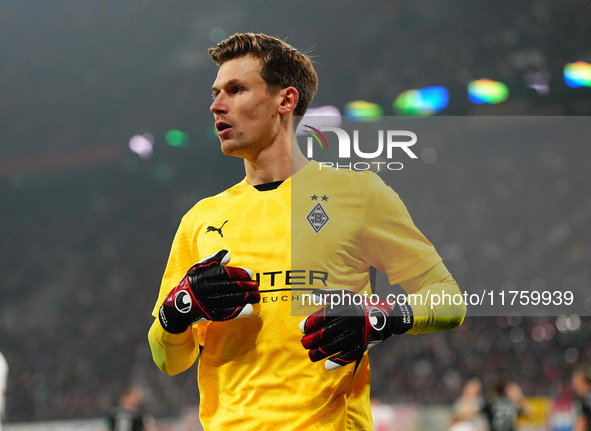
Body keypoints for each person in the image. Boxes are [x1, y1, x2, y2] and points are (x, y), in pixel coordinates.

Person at [148, 32, 466, 430]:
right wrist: (178, 310)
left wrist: (380, 317)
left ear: (286, 100)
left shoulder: (359, 195)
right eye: (215, 92)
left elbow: (449, 301)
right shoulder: (200, 219)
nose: (216, 105)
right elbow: (168, 360)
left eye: (236, 89)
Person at [455, 378, 530, 431]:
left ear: (494, 391)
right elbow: (528, 414)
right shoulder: (512, 404)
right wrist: (519, 396)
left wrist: (469, 394)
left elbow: (467, 414)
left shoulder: (490, 404)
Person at [572, 366, 591, 431]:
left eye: (576, 383)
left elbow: (581, 423)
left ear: (584, 382)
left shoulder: (583, 400)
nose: (574, 386)